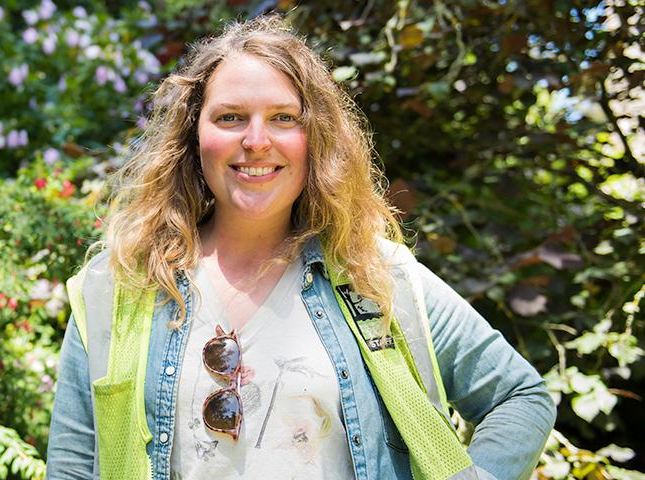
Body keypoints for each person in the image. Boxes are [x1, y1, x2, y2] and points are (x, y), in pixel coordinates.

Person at [46, 15, 555, 480]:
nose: (256, 140)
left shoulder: (377, 278)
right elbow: (73, 469)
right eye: (230, 117)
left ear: (316, 139)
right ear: (193, 136)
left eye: (284, 118)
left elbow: (520, 396)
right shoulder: (117, 288)